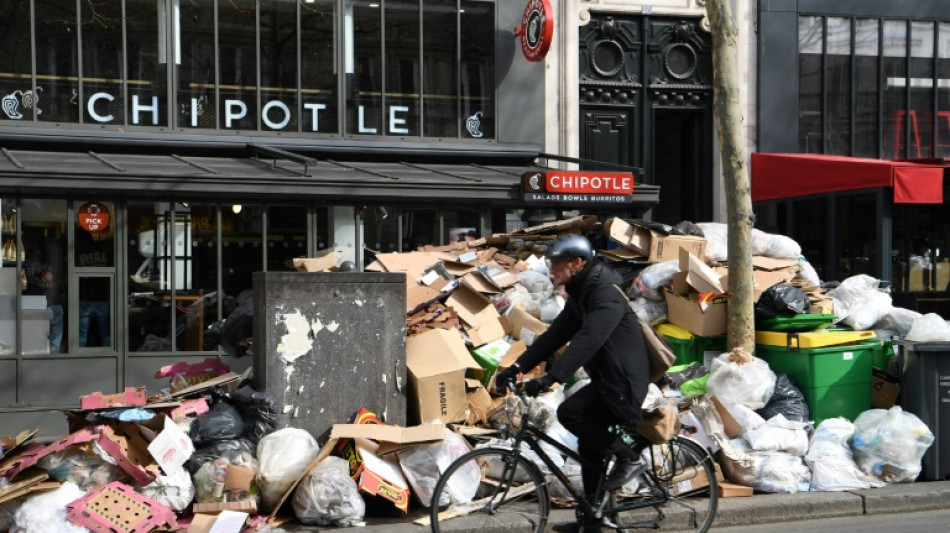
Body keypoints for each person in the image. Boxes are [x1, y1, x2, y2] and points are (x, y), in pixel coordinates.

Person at [494, 234, 651, 531]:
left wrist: (552, 378)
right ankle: (595, 520)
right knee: (590, 449)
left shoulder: (605, 293)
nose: (551, 269)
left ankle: (629, 457)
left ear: (577, 263)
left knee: (570, 412)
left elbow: (588, 339)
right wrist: (516, 367)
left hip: (624, 384)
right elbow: (555, 335)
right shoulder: (582, 292)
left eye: (557, 263)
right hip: (608, 380)